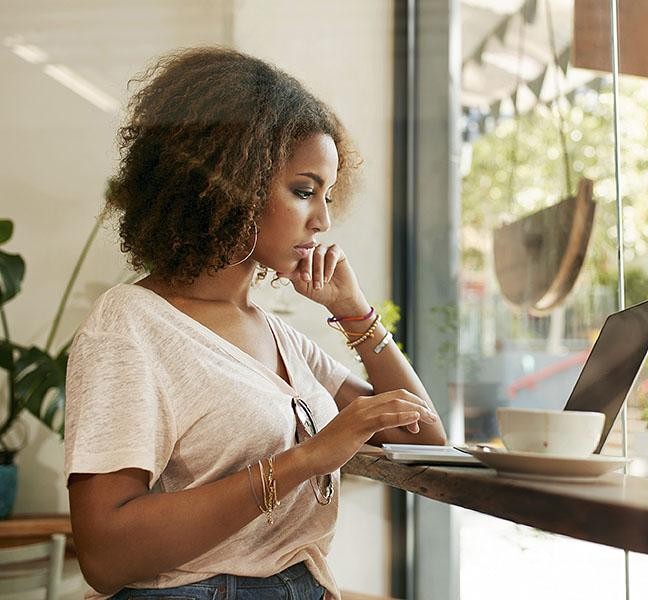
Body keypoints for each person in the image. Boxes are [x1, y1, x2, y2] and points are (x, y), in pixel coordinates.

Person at [64, 47, 447, 600]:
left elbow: (424, 438)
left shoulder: (278, 336)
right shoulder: (130, 326)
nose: (324, 219)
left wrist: (354, 312)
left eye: (329, 194)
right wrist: (308, 458)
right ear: (229, 184)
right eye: (304, 190)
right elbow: (105, 555)